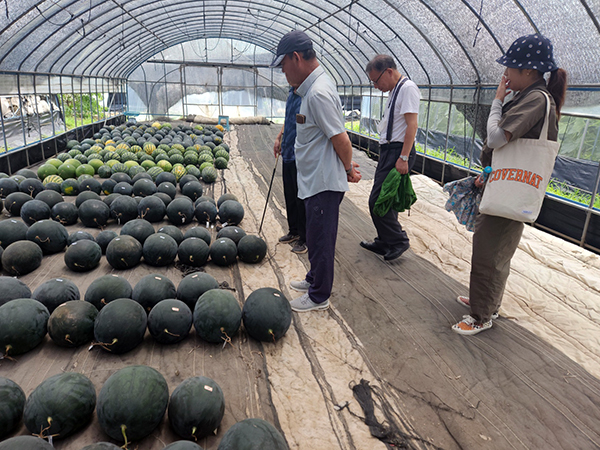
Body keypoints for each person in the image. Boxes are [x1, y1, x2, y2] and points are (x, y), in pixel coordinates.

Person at [453, 34, 568, 335]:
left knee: (489, 252)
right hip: (507, 182)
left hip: (512, 191)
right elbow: (507, 152)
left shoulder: (535, 99)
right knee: (495, 249)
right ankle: (486, 302)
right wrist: (489, 172)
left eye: (511, 69)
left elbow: (495, 138)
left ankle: (480, 315)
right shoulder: (530, 97)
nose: (505, 75)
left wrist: (496, 101)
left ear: (529, 71)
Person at [270, 30, 361, 312]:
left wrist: (348, 168)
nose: (283, 72)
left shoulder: (319, 93)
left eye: (283, 65)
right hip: (313, 180)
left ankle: (319, 296)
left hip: (323, 183)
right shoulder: (310, 90)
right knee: (314, 232)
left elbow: (340, 138)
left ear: (296, 58)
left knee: (321, 240)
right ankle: (313, 279)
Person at [360, 55, 420, 261]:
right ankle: (384, 241)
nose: (376, 85)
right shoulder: (394, 90)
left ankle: (398, 241)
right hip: (389, 151)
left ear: (389, 71)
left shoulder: (407, 88)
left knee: (377, 200)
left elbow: (412, 125)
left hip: (398, 151)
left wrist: (403, 157)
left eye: (376, 80)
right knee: (388, 199)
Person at [273, 87, 307, 254]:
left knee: (301, 197)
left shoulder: (307, 93)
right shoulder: (290, 93)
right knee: (290, 194)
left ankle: (305, 238)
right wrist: (279, 137)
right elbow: (289, 119)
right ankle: (293, 231)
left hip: (301, 155)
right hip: (288, 151)